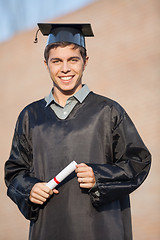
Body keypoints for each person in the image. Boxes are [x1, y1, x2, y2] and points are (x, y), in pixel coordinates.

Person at [4, 23, 151, 240]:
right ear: (46, 64)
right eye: (57, 61)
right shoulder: (30, 116)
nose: (65, 69)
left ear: (85, 62)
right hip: (47, 229)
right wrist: (29, 189)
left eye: (73, 60)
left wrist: (99, 177)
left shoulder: (108, 111)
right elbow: (14, 172)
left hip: (101, 230)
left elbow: (138, 162)